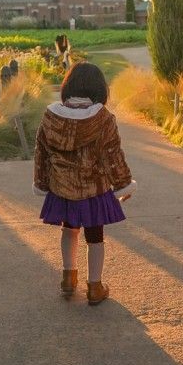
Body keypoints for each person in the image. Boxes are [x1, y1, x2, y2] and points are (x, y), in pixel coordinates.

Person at [33, 62, 135, 306]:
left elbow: (42, 154)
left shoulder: (51, 117)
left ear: (68, 86)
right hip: (93, 190)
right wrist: (123, 185)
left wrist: (42, 182)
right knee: (95, 236)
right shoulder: (103, 119)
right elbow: (113, 155)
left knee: (68, 230)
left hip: (62, 189)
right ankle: (94, 287)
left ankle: (68, 280)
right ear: (99, 89)